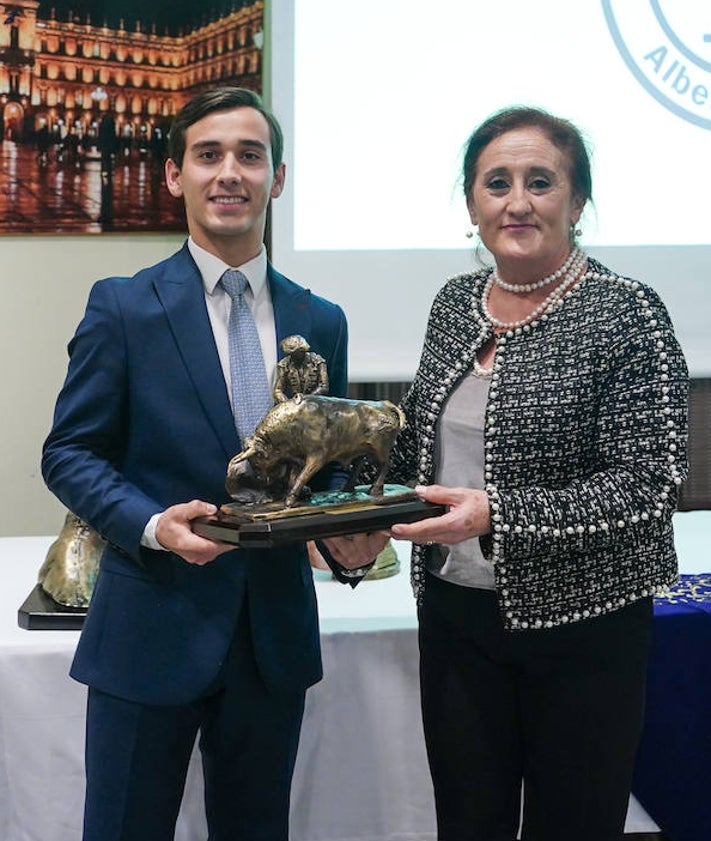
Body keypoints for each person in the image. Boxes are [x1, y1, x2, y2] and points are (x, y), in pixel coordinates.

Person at [337, 106, 689, 841]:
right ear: (471, 205)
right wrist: (355, 531)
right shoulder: (453, 307)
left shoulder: (626, 313)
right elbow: (414, 464)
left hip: (585, 633)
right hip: (457, 623)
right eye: (496, 183)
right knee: (467, 823)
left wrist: (497, 513)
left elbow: (649, 484)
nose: (517, 200)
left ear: (577, 201)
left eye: (540, 181)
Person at [42, 86, 378, 841]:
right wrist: (153, 524)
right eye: (208, 154)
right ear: (174, 176)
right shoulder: (123, 307)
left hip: (273, 643)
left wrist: (346, 539)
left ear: (277, 179)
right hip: (149, 628)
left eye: (249, 156)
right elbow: (68, 451)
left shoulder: (320, 320)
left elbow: (328, 466)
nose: (230, 172)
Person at [273, 334, 329, 402]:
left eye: (296, 353)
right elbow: (277, 390)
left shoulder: (318, 362)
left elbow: (324, 386)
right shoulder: (284, 364)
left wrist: (306, 399)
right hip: (295, 403)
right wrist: (287, 403)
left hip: (315, 402)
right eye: (290, 354)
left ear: (303, 350)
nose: (293, 356)